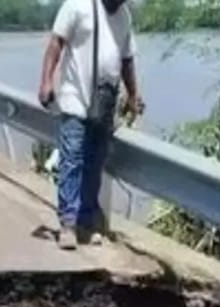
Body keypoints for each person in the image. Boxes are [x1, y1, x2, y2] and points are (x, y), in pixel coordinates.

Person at [38, 0, 142, 250]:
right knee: (72, 159)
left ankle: (86, 223)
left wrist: (133, 94)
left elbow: (127, 59)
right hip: (75, 97)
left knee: (94, 163)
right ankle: (68, 224)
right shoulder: (77, 6)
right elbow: (56, 44)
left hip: (104, 103)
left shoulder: (124, 15)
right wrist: (46, 82)